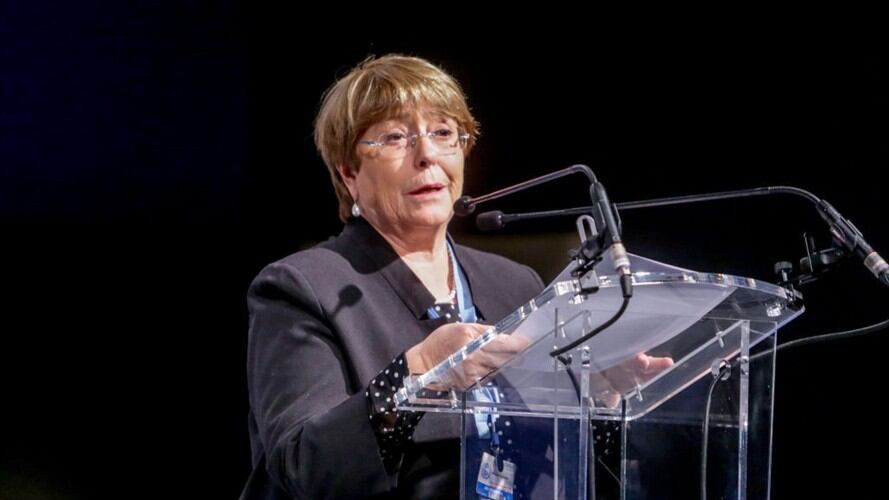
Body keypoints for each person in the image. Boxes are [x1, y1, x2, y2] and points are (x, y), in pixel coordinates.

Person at [240, 54, 671, 500]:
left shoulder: (514, 284)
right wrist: (422, 373)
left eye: (443, 132)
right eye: (394, 137)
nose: (426, 154)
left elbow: (553, 466)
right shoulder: (302, 287)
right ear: (349, 174)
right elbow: (302, 469)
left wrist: (596, 400)